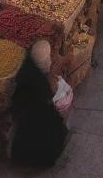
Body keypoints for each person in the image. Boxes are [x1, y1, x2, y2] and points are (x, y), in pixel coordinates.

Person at [10, 40, 69, 168]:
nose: (49, 61)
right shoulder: (40, 82)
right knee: (48, 133)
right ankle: (42, 160)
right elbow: (47, 99)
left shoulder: (26, 69)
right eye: (47, 58)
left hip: (24, 115)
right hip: (38, 118)